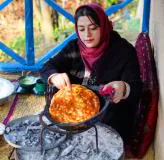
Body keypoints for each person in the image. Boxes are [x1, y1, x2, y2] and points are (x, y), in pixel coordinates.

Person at [40, 4, 142, 144]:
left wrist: (123, 88)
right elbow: (47, 67)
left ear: (104, 26)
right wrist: (54, 76)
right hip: (71, 115)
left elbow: (137, 88)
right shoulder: (74, 47)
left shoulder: (123, 51)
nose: (87, 35)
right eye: (81, 29)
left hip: (110, 116)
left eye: (93, 28)